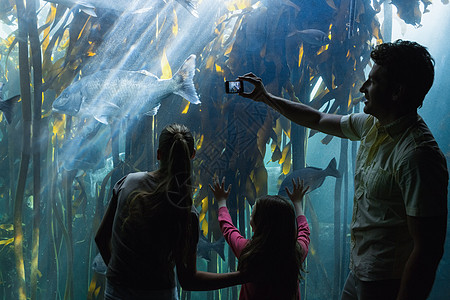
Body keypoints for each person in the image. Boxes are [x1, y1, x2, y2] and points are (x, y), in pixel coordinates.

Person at [237, 40, 448, 300]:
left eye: (373, 81)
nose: (363, 88)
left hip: (387, 281)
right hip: (358, 270)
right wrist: (266, 98)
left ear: (397, 91)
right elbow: (316, 118)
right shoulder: (370, 125)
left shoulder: (418, 156)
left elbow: (428, 250)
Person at [95, 124, 245, 300]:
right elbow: (188, 280)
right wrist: (242, 276)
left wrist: (119, 275)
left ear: (159, 154)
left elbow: (101, 237)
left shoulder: (126, 183)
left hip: (117, 293)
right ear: (192, 155)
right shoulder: (187, 211)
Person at [210, 176, 310, 300]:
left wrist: (221, 202)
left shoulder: (249, 252)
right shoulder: (295, 254)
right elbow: (304, 232)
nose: (250, 216)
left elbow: (228, 229)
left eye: (252, 214)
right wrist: (297, 203)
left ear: (256, 224)